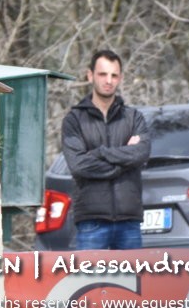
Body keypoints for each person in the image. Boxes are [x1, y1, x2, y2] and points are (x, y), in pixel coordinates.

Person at [60, 49, 151, 250]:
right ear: (90, 75)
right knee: (91, 273)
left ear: (120, 78)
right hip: (91, 222)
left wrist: (100, 153)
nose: (109, 81)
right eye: (102, 74)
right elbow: (79, 166)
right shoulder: (74, 120)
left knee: (132, 273)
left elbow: (141, 153)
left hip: (129, 222)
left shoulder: (133, 117)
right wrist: (124, 161)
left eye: (114, 75)